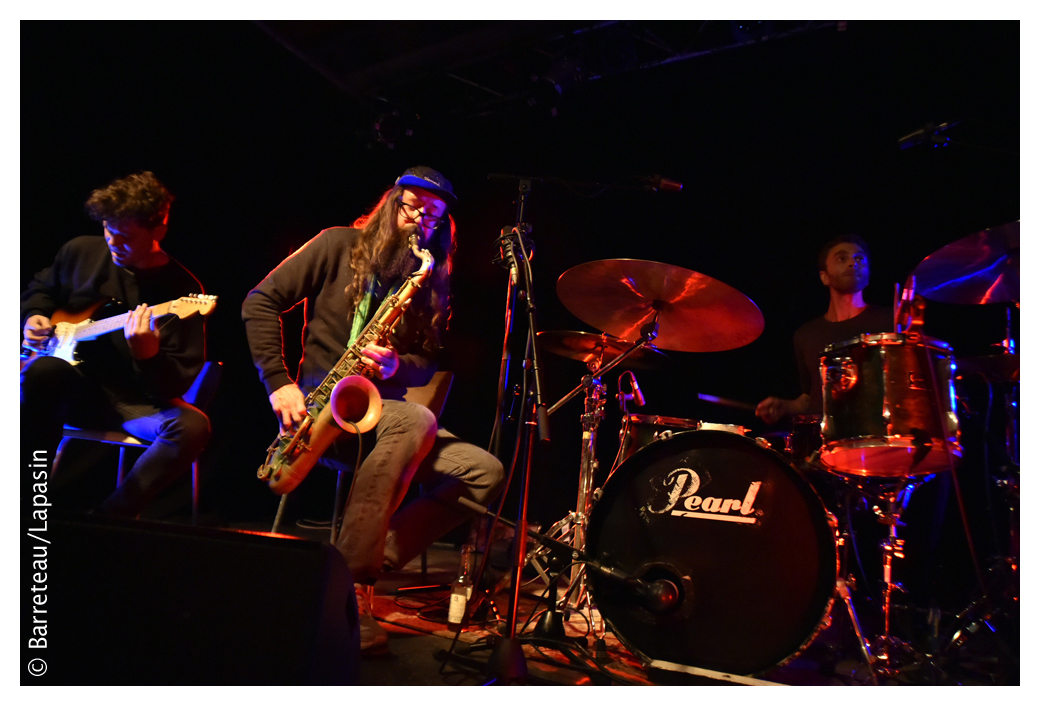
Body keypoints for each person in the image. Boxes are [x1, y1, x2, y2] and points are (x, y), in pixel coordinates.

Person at [242, 166, 505, 656]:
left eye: (433, 218)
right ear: (391, 204)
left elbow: (426, 363)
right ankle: (354, 595)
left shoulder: (429, 279)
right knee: (417, 420)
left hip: (383, 417)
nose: (420, 223)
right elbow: (259, 302)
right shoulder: (337, 244)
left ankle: (345, 572)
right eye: (413, 208)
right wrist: (279, 385)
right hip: (321, 408)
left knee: (484, 472)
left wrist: (394, 366)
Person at [21, 171, 210, 517]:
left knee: (193, 425)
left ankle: (109, 520)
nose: (113, 244)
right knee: (43, 372)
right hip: (73, 388)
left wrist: (148, 355)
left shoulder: (181, 291)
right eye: (108, 232)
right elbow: (42, 289)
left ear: (159, 231)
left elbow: (176, 383)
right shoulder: (79, 251)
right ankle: (27, 505)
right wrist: (34, 315)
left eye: (125, 238)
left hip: (132, 404)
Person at [756, 234, 892, 424]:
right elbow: (810, 398)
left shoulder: (892, 321)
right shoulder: (806, 335)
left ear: (868, 275)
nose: (853, 263)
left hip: (879, 438)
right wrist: (786, 406)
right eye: (842, 258)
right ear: (824, 277)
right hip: (825, 444)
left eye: (859, 259)